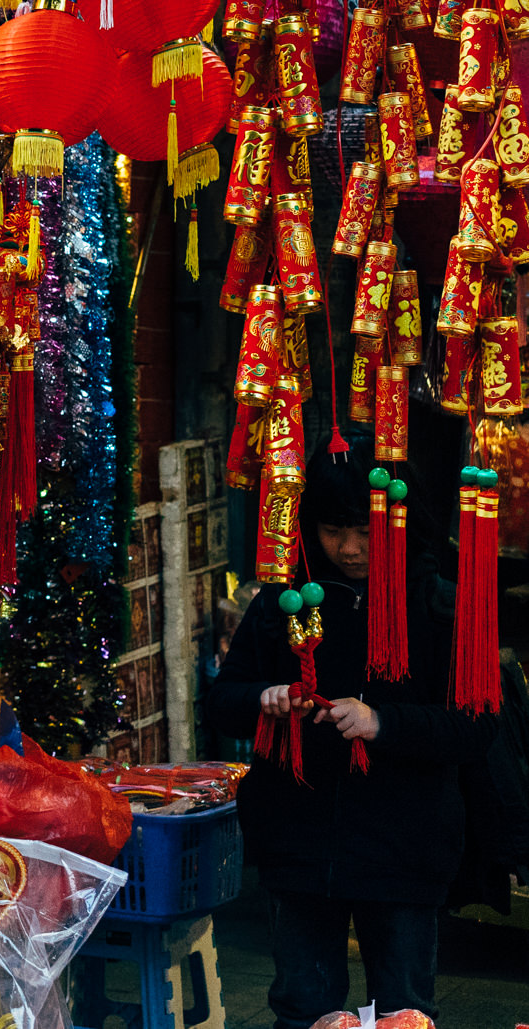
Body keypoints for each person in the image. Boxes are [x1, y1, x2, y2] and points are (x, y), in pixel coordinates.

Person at [209, 435, 496, 1028]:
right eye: (332, 531)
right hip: (300, 842)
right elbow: (224, 701)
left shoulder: (441, 604)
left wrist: (381, 721)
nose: (348, 549)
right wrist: (262, 701)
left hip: (405, 847)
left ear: (398, 519)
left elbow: (475, 727)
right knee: (304, 1008)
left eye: (365, 532)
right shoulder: (282, 602)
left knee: (406, 1012)